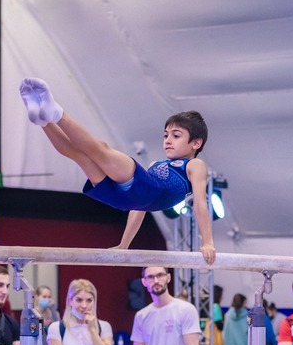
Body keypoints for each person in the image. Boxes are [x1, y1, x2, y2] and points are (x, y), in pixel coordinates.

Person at [19, 77, 215, 265]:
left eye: (176, 136)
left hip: (143, 192)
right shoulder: (155, 164)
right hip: (127, 200)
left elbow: (200, 204)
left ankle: (58, 114)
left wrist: (208, 242)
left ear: (196, 143)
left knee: (101, 149)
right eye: (166, 135)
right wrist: (124, 245)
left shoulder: (195, 165)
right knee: (81, 157)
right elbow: (139, 209)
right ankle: (43, 121)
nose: (168, 140)